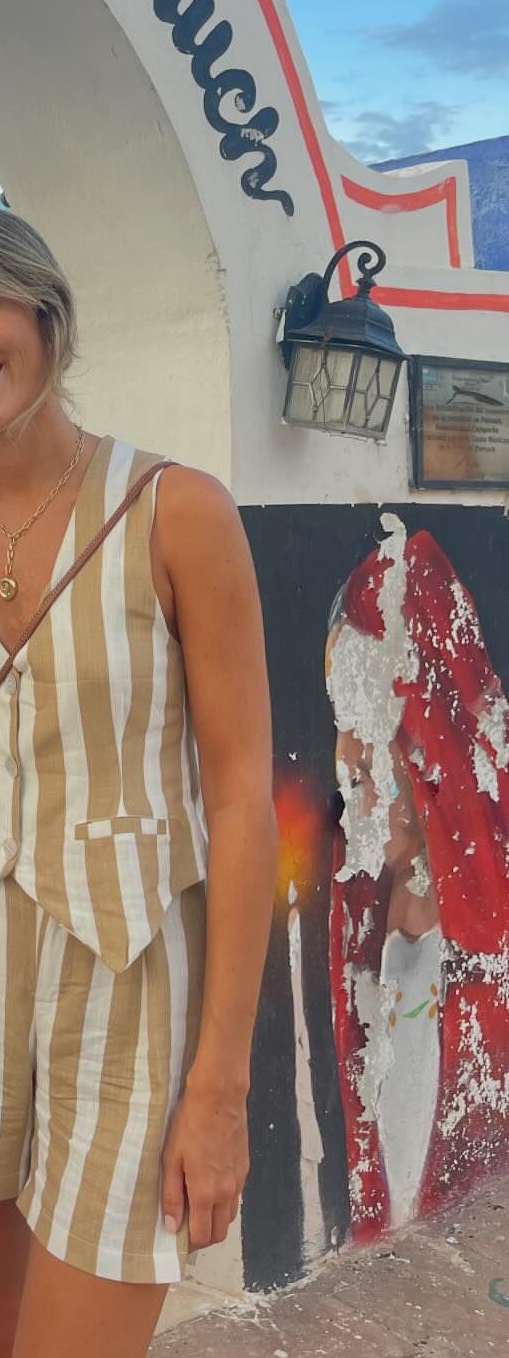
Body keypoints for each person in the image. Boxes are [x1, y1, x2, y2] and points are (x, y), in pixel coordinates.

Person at [0, 204, 276, 1358]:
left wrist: (222, 1087)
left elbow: (241, 800)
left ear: (43, 312)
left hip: (128, 982)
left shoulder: (177, 510)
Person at [325, 519, 509, 1239]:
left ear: (423, 732)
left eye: (362, 715)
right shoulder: (360, 902)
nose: (345, 755)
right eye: (338, 718)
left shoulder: (490, 923)